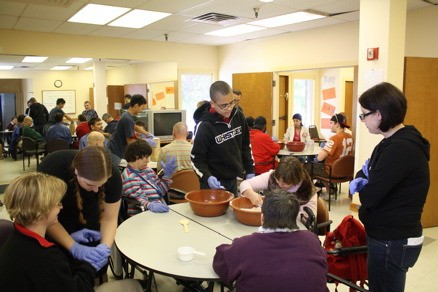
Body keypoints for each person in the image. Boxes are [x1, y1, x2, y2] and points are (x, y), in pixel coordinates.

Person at [0, 172, 143, 292]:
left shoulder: (17, 237)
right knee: (134, 286)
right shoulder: (45, 258)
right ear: (41, 213)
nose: (61, 208)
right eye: (57, 204)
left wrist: (70, 239)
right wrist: (89, 267)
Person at [350, 82, 430, 292]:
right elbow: (364, 172)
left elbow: (370, 196)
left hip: (393, 238)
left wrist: (365, 183)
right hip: (387, 235)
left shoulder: (401, 148)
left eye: (364, 115)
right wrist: (365, 179)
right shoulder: (388, 143)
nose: (362, 120)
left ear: (379, 114)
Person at [212, 190, 327, 292]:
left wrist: (231, 247)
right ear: (294, 217)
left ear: (262, 218)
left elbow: (221, 264)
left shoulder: (244, 246)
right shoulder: (312, 240)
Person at [38, 147, 122, 273]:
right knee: (63, 270)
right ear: (76, 171)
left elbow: (110, 218)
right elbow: (45, 216)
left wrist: (105, 247)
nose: (96, 190)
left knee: (95, 267)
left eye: (101, 185)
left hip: (90, 221)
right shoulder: (52, 168)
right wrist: (73, 247)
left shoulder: (113, 176)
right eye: (90, 184)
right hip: (57, 222)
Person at [191, 81, 254, 195]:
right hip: (213, 184)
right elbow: (197, 159)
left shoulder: (238, 115)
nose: (229, 108)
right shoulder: (205, 126)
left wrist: (250, 169)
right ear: (213, 104)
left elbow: (246, 145)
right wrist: (207, 177)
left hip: (233, 179)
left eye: (232, 102)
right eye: (224, 105)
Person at [240, 156, 317, 218]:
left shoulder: (307, 191)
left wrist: (283, 212)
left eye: (285, 183)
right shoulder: (273, 176)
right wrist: (250, 194)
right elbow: (244, 184)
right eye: (278, 180)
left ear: (296, 180)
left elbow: (308, 219)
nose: (280, 184)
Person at [122, 140, 176, 216]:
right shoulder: (129, 177)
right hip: (142, 215)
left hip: (159, 209)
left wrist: (166, 177)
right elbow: (139, 200)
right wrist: (150, 205)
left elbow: (161, 191)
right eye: (146, 157)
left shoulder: (147, 170)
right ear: (137, 156)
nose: (148, 161)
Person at [306, 113, 354, 199]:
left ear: (337, 124)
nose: (330, 125)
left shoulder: (334, 138)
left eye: (331, 123)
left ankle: (312, 194)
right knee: (320, 165)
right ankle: (330, 189)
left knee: (308, 167)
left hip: (332, 171)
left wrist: (316, 158)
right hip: (346, 171)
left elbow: (320, 158)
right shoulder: (350, 136)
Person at [107, 94, 149, 165]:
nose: (142, 110)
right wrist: (144, 141)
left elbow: (134, 126)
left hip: (113, 148)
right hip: (115, 151)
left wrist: (147, 134)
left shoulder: (127, 115)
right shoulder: (127, 119)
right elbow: (130, 142)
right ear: (136, 105)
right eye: (141, 107)